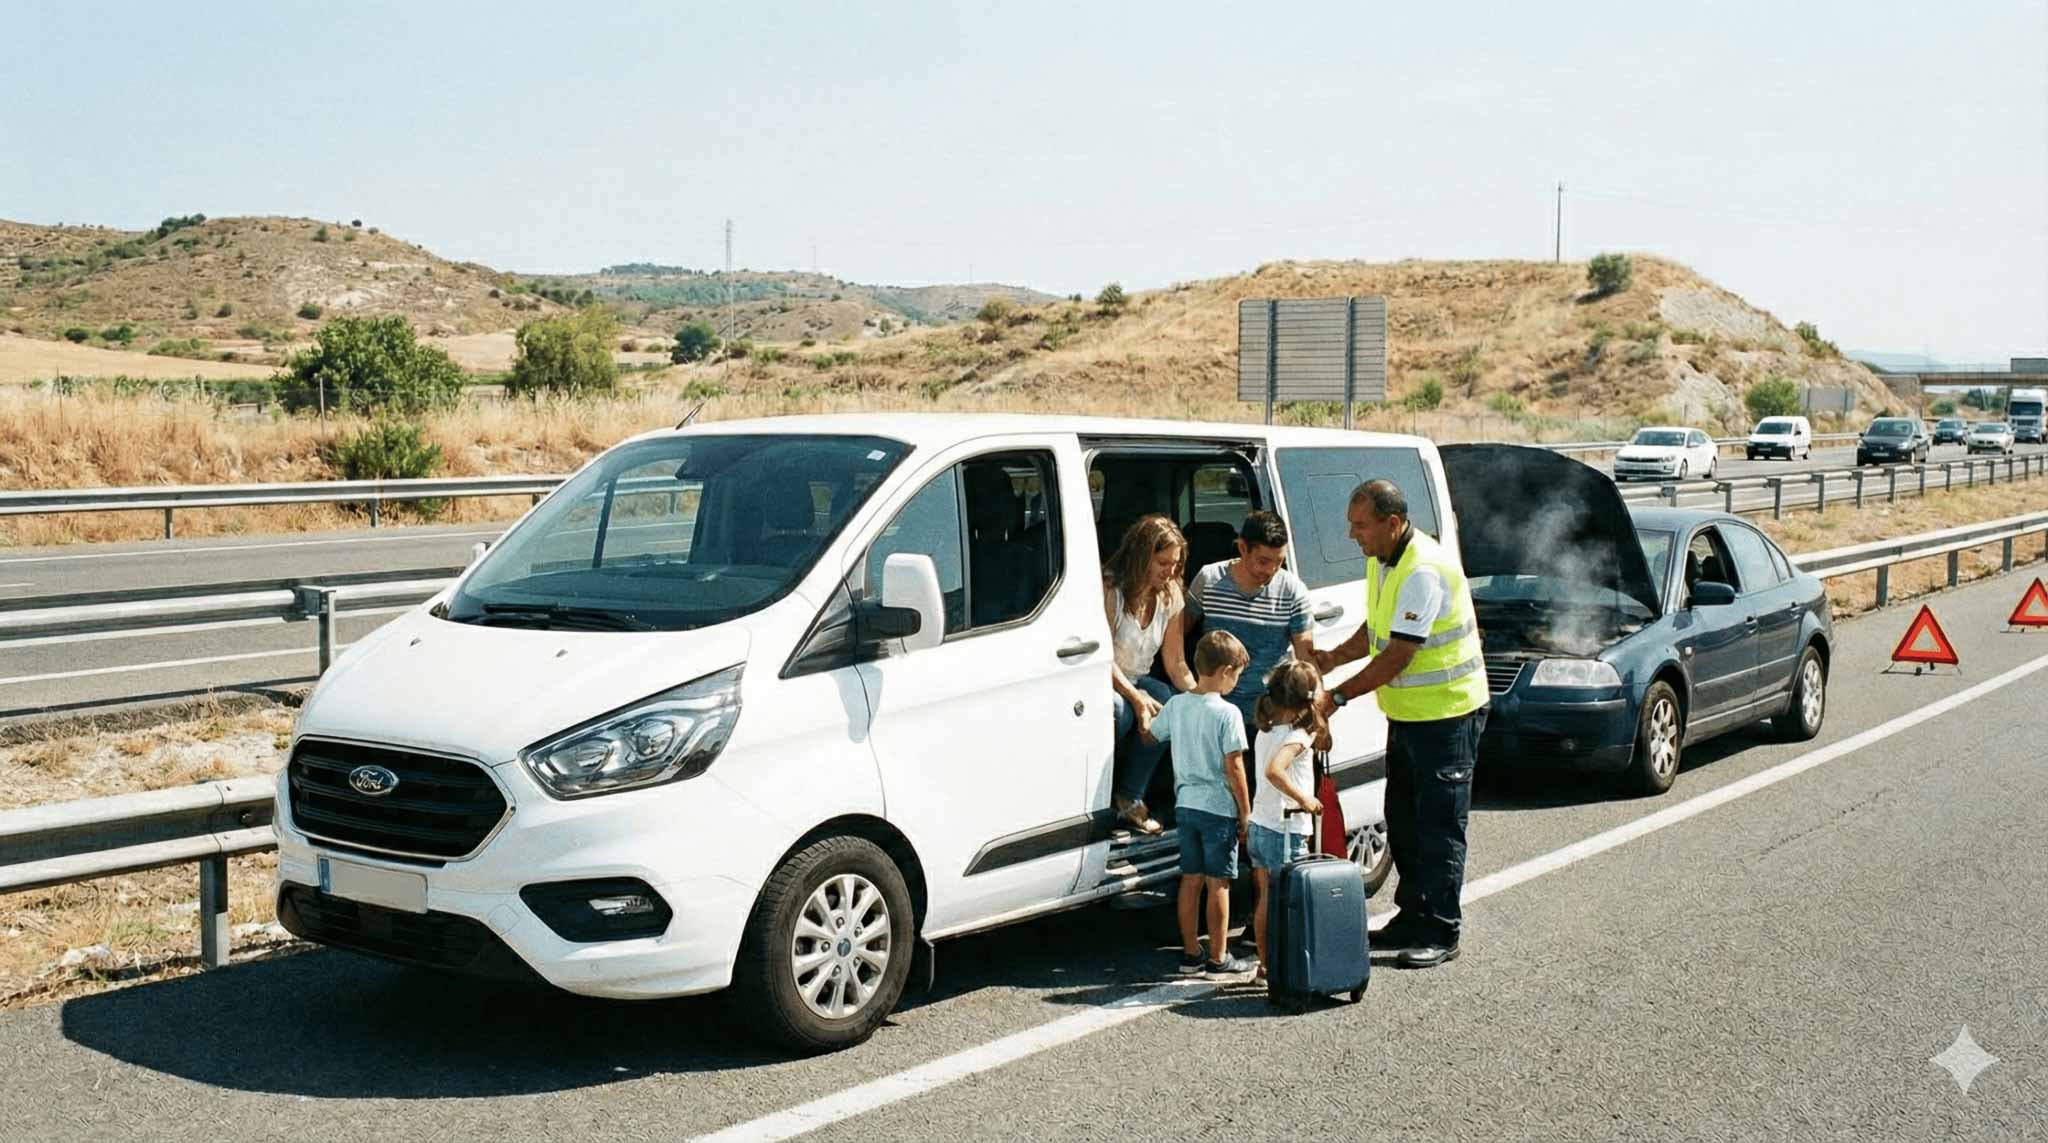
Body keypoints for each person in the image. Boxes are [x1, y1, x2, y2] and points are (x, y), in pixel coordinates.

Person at [1315, 479, 1489, 970]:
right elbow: (1376, 630)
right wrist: (1333, 658)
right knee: (1404, 820)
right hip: (1411, 717)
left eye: (1360, 525)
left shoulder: (1423, 570)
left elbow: (1399, 654)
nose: (1353, 535)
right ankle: (1412, 915)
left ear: (1392, 523)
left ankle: (1440, 929)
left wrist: (1339, 695)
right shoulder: (1383, 560)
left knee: (1438, 828)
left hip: (1448, 717)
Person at [1145, 629, 1256, 980]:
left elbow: (1151, 735)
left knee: (1189, 880)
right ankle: (1219, 956)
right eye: (1236, 675)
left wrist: (1144, 709)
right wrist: (1246, 810)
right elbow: (1234, 765)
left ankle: (1191, 952)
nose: (1236, 683)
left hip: (1186, 806)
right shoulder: (1228, 713)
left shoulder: (1178, 705)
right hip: (1218, 807)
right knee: (1219, 882)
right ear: (1224, 671)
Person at [1185, 511, 1315, 779]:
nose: (1269, 571)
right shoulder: (1209, 581)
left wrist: (1315, 711)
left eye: (1278, 563)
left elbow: (1306, 659)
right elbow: (1177, 637)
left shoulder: (1292, 591)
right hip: (1217, 715)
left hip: (1270, 718)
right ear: (1242, 547)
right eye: (1263, 561)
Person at [1103, 514, 1196, 834]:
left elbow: (1176, 662)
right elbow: (1101, 657)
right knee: (1122, 712)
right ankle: (1097, 800)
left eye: (1175, 563)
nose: (1170, 571)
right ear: (1142, 555)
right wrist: (1136, 698)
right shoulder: (1111, 589)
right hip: (1103, 678)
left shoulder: (1171, 594)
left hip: (1140, 680)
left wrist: (1203, 700)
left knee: (1167, 704)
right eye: (1162, 563)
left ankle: (1130, 796)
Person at [1246, 659, 1325, 982]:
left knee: (1265, 898)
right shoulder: (1296, 738)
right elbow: (1275, 771)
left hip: (1260, 823)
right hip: (1286, 826)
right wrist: (1304, 799)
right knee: (1288, 903)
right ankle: (1288, 964)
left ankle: (1265, 965)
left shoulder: (1266, 731)